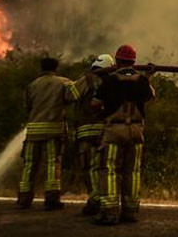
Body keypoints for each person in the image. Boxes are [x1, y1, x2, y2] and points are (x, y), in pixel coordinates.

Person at [93, 45, 156, 225]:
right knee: (133, 172)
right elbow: (151, 96)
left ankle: (110, 212)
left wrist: (103, 113)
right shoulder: (142, 81)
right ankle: (130, 212)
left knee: (110, 171)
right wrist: (148, 77)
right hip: (136, 132)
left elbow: (95, 103)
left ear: (117, 61)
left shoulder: (109, 81)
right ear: (134, 62)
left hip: (114, 131)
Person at [17, 57, 78, 210]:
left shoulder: (32, 85)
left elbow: (27, 106)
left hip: (33, 132)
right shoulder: (64, 82)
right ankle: (52, 200)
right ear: (56, 67)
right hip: (53, 131)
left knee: (29, 165)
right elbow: (75, 97)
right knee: (52, 163)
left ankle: (24, 199)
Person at [72, 54, 115, 216]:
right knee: (103, 167)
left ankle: (95, 199)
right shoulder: (112, 80)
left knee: (89, 167)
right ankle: (102, 198)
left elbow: (71, 95)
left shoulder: (88, 79)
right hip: (106, 129)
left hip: (87, 129)